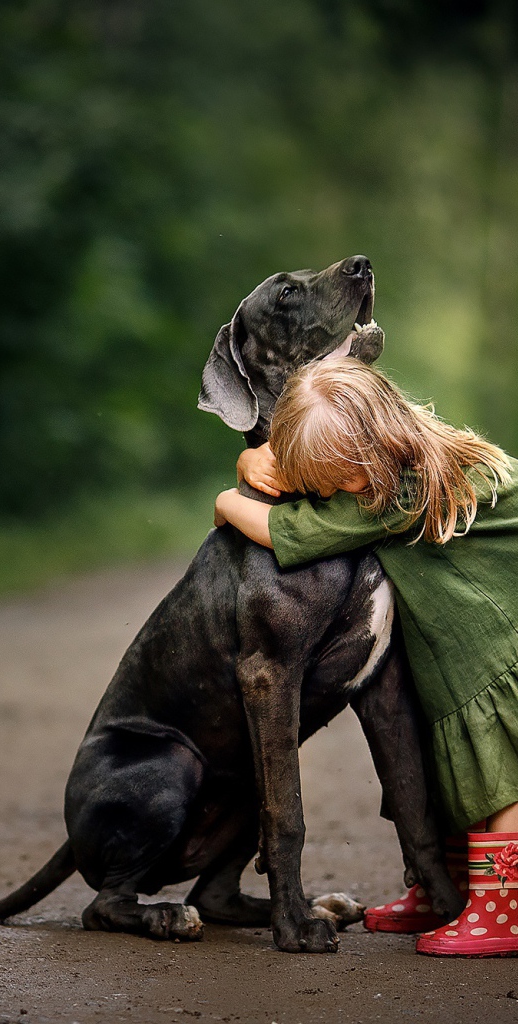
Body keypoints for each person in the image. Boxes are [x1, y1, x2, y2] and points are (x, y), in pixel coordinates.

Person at [214, 356, 518, 957]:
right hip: (462, 658)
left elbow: (289, 532)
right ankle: (455, 889)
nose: (329, 493)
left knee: (503, 781)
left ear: (374, 444)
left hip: (500, 655)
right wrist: (254, 456)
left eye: (336, 479)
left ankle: (502, 911)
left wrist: (228, 498)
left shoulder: (398, 495)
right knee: (458, 776)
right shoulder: (420, 455)